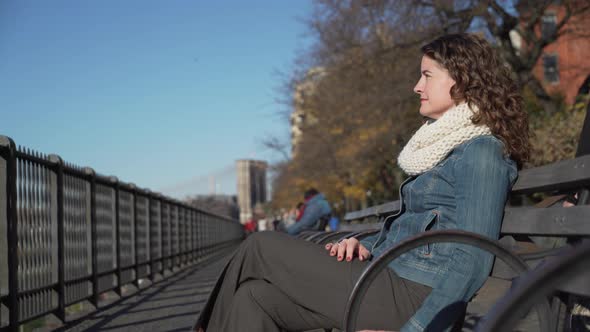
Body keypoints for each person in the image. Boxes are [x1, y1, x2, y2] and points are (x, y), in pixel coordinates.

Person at [194, 33, 529, 332]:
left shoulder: (482, 152)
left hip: (414, 297)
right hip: (388, 275)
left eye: (427, 75)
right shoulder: (444, 147)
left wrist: (414, 329)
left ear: (462, 79)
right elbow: (420, 230)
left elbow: (474, 258)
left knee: (261, 246)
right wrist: (369, 246)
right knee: (254, 298)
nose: (417, 86)